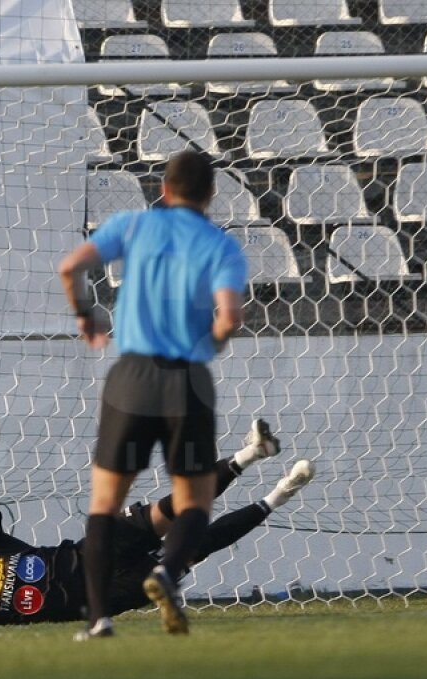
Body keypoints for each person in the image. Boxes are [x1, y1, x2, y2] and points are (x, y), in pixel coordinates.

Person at [0, 419, 314, 629]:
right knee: (194, 544)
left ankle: (250, 453)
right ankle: (279, 494)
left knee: (168, 510)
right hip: (108, 593)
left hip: (91, 551)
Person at [57, 150, 247, 639]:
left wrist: (86, 314)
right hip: (187, 380)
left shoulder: (134, 226)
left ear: (163, 189)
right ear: (209, 196)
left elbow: (70, 267)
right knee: (194, 502)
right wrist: (206, 345)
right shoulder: (220, 245)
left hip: (132, 378)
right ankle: (166, 569)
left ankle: (98, 619)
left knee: (104, 504)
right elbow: (229, 317)